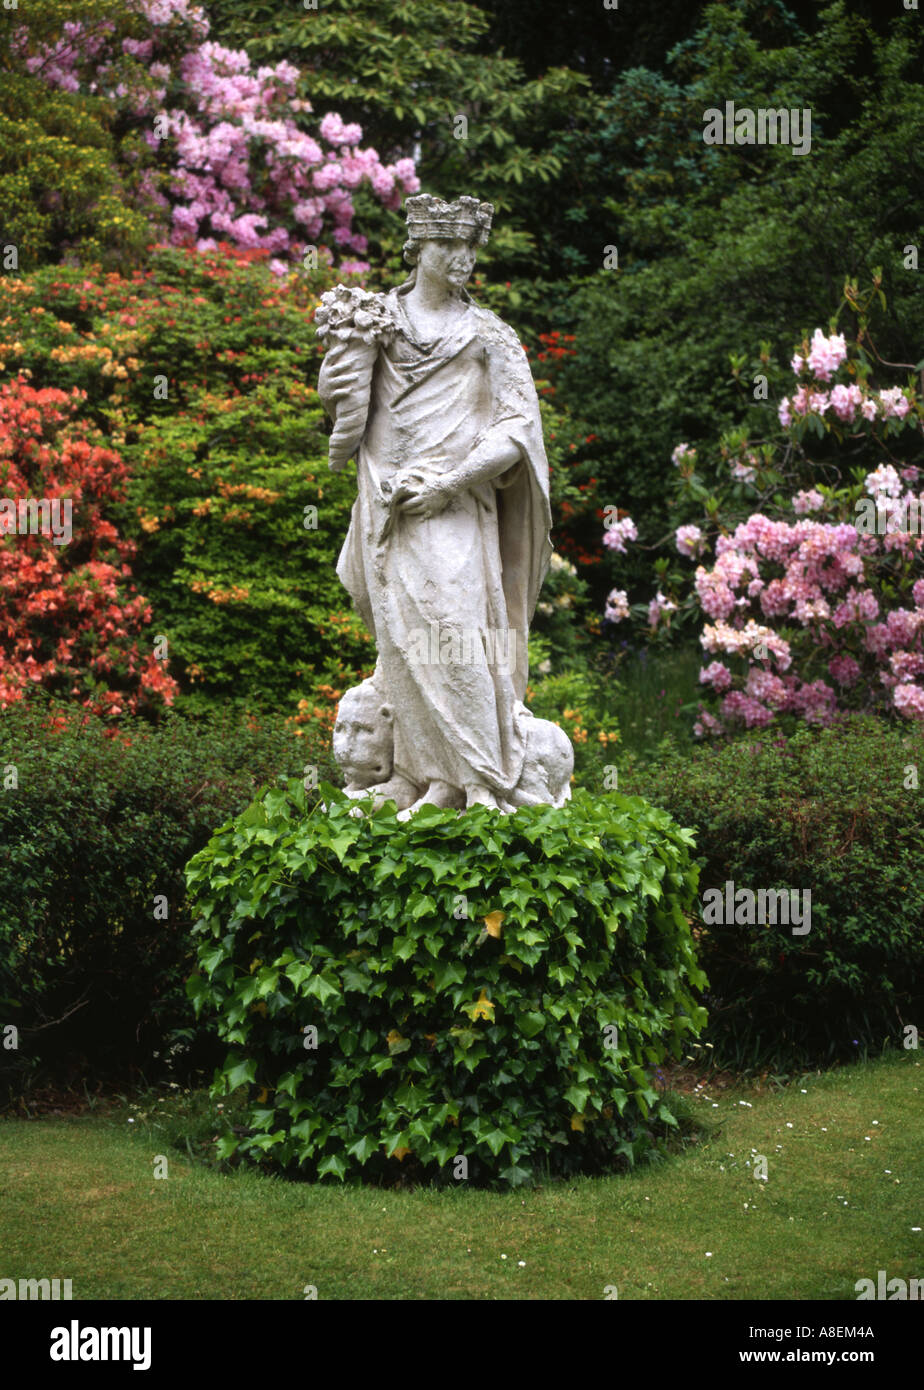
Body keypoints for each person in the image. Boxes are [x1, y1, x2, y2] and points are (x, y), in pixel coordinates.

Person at [319, 194, 554, 813]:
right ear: (418, 249)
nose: (463, 260)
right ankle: (428, 779)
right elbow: (347, 423)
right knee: (400, 644)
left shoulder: (488, 336)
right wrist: (330, 386)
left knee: (457, 637)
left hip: (453, 510)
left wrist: (451, 480)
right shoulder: (376, 324)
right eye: (450, 246)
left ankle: (483, 781)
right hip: (387, 512)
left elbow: (516, 429)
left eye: (471, 249)